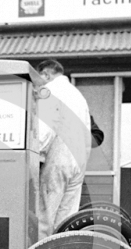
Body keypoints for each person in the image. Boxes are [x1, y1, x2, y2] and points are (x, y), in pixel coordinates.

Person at [35, 59, 92, 239]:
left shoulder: (51, 91)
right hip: (78, 163)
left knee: (44, 220)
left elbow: (45, 129)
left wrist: (35, 157)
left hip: (58, 159)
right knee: (65, 224)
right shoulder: (78, 95)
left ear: (46, 74)